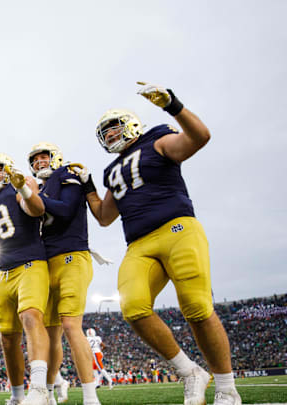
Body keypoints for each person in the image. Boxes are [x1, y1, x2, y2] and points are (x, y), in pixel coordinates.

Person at [77, 81, 241, 405]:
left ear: (131, 124)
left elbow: (200, 137)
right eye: (104, 132)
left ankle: (226, 387)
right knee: (132, 306)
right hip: (139, 244)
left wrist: (173, 104)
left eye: (114, 128)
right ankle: (190, 371)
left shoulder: (157, 139)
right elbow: (104, 216)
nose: (110, 135)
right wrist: (88, 186)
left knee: (196, 306)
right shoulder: (112, 170)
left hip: (178, 228)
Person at [24, 143, 100, 405]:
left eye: (43, 157)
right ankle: (45, 393)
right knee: (50, 332)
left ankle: (90, 396)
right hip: (46, 262)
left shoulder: (67, 174)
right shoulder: (41, 188)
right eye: (34, 160)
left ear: (55, 157)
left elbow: (66, 210)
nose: (39, 163)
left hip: (71, 254)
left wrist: (34, 196)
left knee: (70, 325)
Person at [0, 154, 50, 405]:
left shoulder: (20, 185)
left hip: (30, 264)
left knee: (30, 316)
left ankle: (39, 388)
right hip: (3, 272)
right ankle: (16, 395)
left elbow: (36, 209)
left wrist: (23, 187)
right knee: (8, 337)